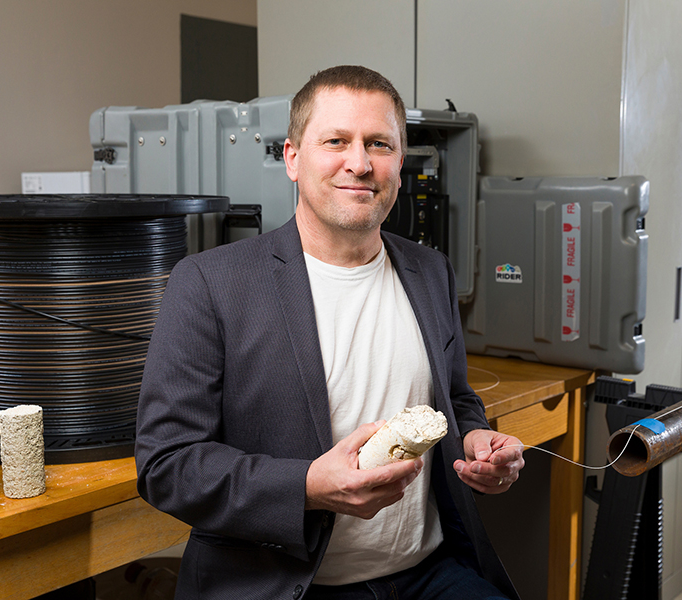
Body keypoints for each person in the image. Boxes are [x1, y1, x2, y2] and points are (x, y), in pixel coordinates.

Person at [135, 65, 525, 600]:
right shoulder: (210, 283)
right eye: (336, 141)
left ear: (400, 162)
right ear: (293, 158)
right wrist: (306, 488)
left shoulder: (430, 271)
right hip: (287, 583)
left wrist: (477, 440)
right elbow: (167, 464)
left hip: (428, 572)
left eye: (380, 144)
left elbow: (455, 398)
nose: (360, 163)